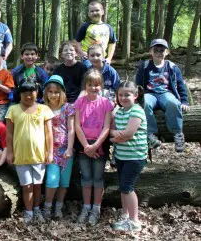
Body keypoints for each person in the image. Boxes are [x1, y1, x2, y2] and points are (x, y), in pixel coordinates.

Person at [6, 77, 54, 224]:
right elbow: (9, 133)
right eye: (24, 92)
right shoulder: (13, 109)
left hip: (39, 155)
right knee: (26, 186)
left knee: (38, 185)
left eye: (31, 92)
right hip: (21, 155)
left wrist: (50, 152)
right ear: (19, 94)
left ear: (37, 92)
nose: (28, 96)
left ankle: (37, 209)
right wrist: (10, 152)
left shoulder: (44, 109)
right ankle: (28, 212)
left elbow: (48, 133)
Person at [74, 69, 114, 225]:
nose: (93, 88)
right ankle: (86, 207)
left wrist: (95, 146)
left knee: (97, 177)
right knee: (86, 177)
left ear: (101, 86)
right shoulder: (80, 102)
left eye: (97, 85)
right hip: (83, 145)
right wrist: (86, 147)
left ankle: (96, 209)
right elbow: (77, 126)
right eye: (90, 84)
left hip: (100, 146)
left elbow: (106, 127)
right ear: (86, 85)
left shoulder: (106, 103)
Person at [135, 38, 189, 153]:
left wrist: (184, 101)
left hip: (166, 93)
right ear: (151, 52)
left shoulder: (172, 67)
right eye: (156, 50)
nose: (159, 53)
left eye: (162, 50)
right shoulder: (144, 66)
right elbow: (138, 86)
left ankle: (178, 133)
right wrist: (136, 99)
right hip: (149, 93)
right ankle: (150, 134)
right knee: (145, 103)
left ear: (167, 52)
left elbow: (180, 85)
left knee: (173, 103)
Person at [110, 81, 147, 232]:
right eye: (120, 95)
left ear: (136, 95)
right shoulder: (119, 111)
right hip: (121, 156)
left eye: (127, 95)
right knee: (123, 187)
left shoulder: (136, 111)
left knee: (127, 187)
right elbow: (112, 129)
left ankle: (134, 221)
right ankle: (125, 215)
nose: (123, 98)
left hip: (134, 157)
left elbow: (128, 133)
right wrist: (115, 135)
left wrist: (113, 139)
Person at [42, 75, 75, 220]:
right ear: (46, 93)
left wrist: (69, 148)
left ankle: (58, 207)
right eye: (50, 91)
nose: (53, 95)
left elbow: (71, 129)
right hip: (50, 150)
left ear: (61, 93)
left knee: (64, 181)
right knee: (51, 179)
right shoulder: (43, 108)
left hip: (65, 150)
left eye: (56, 92)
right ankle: (48, 206)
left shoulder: (67, 108)